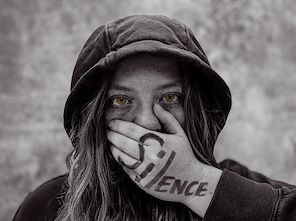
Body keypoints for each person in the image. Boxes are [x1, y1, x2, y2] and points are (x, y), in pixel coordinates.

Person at [13, 15, 296, 221]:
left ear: (196, 108)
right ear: (93, 116)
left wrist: (198, 184)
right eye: (121, 100)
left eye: (169, 98)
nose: (148, 122)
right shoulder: (48, 206)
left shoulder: (238, 186)